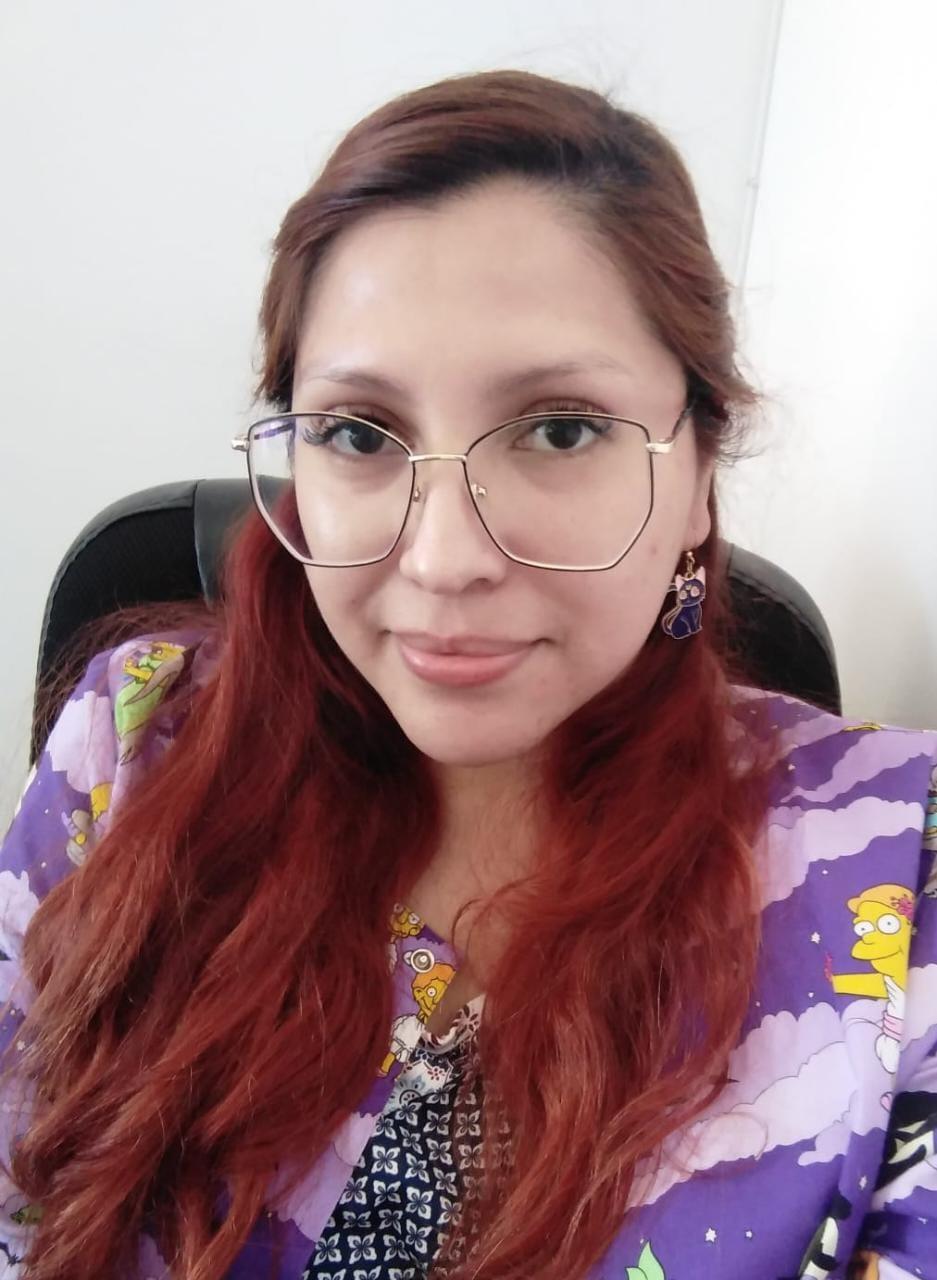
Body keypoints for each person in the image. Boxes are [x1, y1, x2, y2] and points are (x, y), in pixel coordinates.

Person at [0, 67, 935, 1280]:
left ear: (701, 468)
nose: (443, 560)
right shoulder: (130, 747)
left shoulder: (901, 863)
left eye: (559, 428)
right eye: (357, 433)